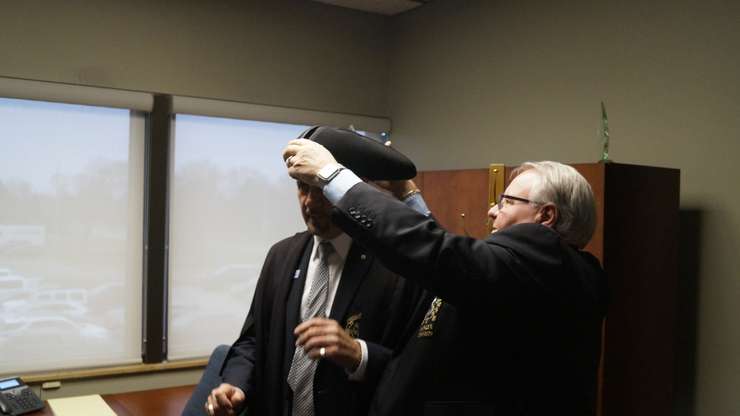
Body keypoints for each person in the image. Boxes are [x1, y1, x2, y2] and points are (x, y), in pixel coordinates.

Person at [283, 138, 609, 416]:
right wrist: (409, 196)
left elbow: (440, 252)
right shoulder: (547, 271)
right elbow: (449, 268)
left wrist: (333, 176)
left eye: (506, 202)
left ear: (545, 216)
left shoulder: (544, 258)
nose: (492, 211)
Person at [202, 127, 426, 416]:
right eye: (302, 188)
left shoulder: (394, 268)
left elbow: (416, 371)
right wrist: (236, 385)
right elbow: (254, 340)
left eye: (320, 189)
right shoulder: (281, 255)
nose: (309, 202)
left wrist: (359, 355)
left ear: (349, 189)